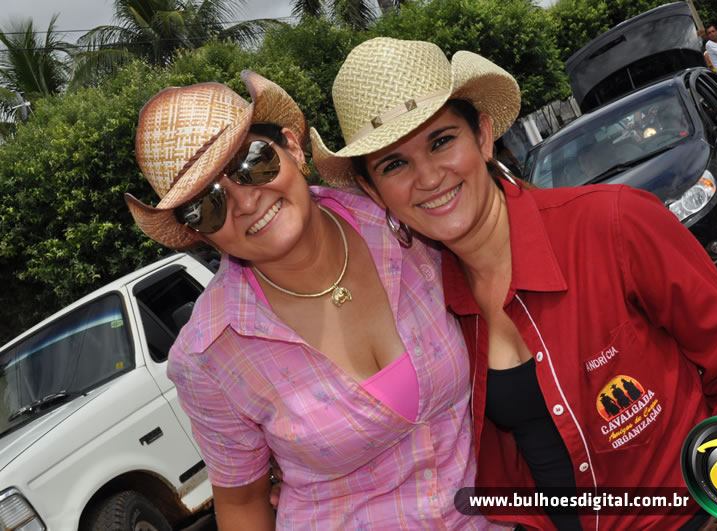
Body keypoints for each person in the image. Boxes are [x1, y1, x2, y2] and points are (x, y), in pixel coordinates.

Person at [310, 37, 717, 530]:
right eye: (394, 164)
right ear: (375, 190)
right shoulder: (431, 312)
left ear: (483, 136)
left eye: (441, 141)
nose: (429, 177)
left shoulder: (613, 224)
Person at [124, 71, 500, 529]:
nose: (245, 202)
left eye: (252, 162)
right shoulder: (208, 356)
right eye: (207, 205)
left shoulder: (404, 221)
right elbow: (242, 503)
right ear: (196, 232)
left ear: (292, 147)